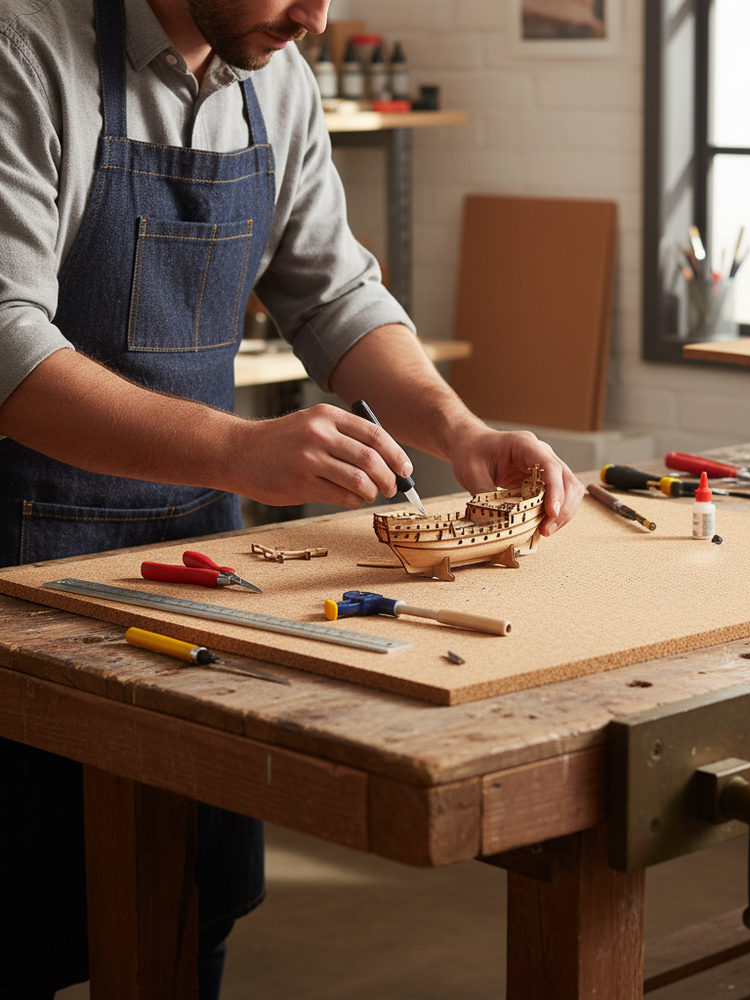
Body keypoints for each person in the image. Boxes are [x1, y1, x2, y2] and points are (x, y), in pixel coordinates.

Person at [0, 0, 584, 995]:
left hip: (196, 568)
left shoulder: (274, 76)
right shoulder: (25, 50)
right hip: (22, 569)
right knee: (22, 916)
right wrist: (239, 448)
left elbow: (335, 295)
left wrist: (459, 430)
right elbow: (6, 344)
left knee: (188, 903)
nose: (314, 16)